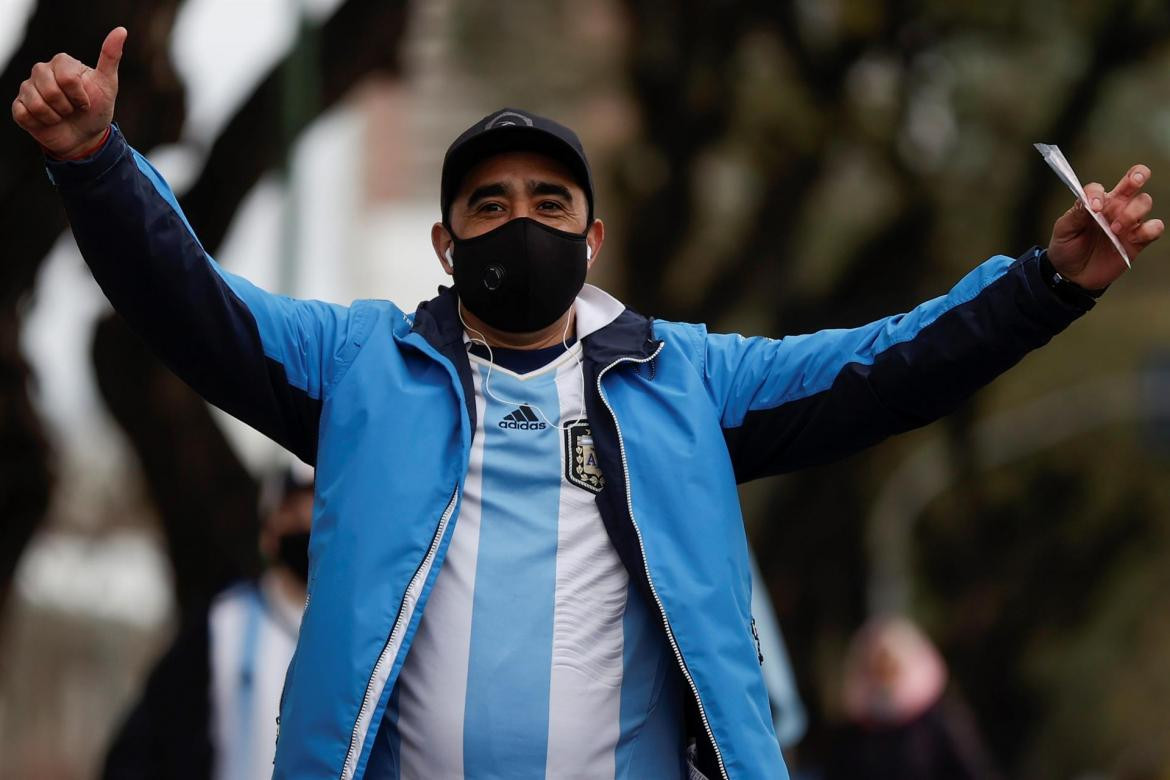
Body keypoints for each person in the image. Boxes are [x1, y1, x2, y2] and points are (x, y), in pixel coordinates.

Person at [12, 27, 1163, 780]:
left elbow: (891, 363)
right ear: (444, 240)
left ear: (593, 235)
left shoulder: (688, 380)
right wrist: (100, 164)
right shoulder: (360, 368)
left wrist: (1045, 286)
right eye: (490, 202)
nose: (521, 219)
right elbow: (196, 310)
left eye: (551, 200)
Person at [102, 462, 314, 780]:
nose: (307, 526)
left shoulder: (363, 637)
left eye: (316, 516)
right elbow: (145, 745)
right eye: (293, 515)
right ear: (269, 532)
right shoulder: (224, 624)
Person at [824, 616, 1001, 780]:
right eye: (877, 666)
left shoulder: (942, 720)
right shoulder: (854, 736)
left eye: (891, 664)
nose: (885, 674)